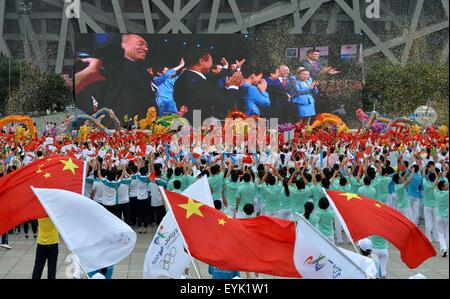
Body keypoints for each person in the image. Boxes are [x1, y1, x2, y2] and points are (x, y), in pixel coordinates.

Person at [75, 34, 155, 124]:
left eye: (146, 46)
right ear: (123, 45)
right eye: (140, 44)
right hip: (117, 126)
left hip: (139, 126)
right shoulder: (111, 67)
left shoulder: (141, 70)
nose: (146, 49)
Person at [173, 48, 243, 121]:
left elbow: (208, 99)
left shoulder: (185, 78)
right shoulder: (197, 82)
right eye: (211, 61)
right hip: (199, 127)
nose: (212, 64)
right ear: (201, 61)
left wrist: (226, 87)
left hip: (194, 122)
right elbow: (224, 103)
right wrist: (234, 86)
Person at [434, 170, 449, 257]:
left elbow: (435, 185)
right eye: (446, 185)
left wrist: (438, 177)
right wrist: (444, 176)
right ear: (443, 187)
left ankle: (443, 248)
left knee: (440, 233)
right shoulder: (448, 193)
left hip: (439, 216)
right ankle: (446, 247)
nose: (447, 186)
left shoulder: (437, 193)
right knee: (447, 233)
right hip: (447, 216)